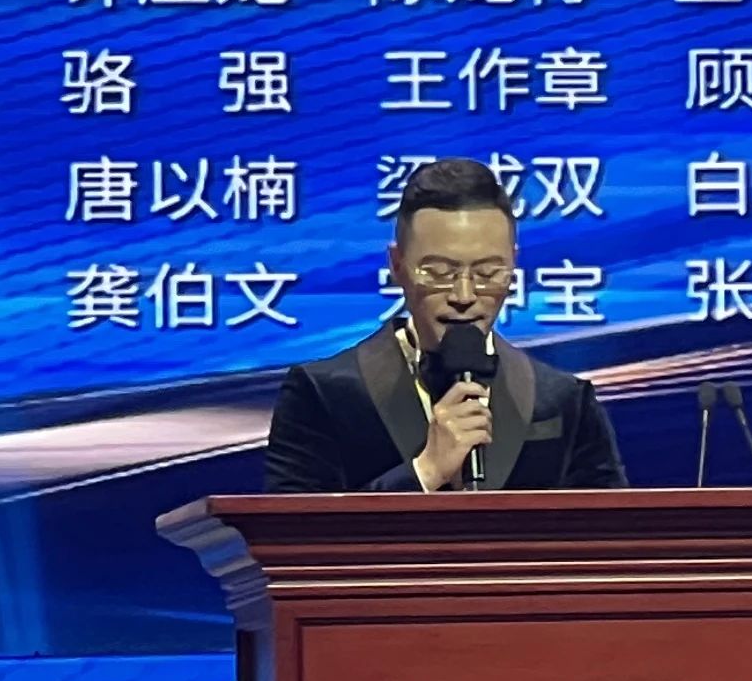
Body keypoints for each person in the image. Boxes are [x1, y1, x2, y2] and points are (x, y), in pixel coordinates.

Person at [262, 156, 624, 491]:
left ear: (513, 266)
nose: (464, 295)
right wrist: (426, 471)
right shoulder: (322, 394)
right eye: (439, 272)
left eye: (488, 273)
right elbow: (293, 530)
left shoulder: (564, 401)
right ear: (397, 265)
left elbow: (611, 532)